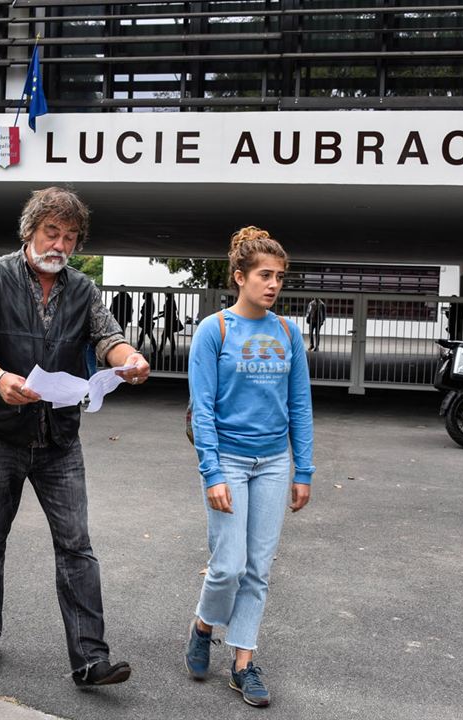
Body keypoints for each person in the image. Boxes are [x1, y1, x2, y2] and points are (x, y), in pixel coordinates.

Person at [0, 186, 150, 687]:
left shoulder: (82, 289)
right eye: (51, 232)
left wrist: (127, 359)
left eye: (70, 236)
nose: (60, 244)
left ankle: (89, 659)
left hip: (60, 438)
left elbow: (107, 336)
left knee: (77, 546)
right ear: (30, 231)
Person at [184, 226, 314, 708]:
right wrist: (213, 473)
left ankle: (242, 663)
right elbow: (203, 408)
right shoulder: (214, 330)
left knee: (257, 569)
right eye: (264, 274)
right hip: (231, 462)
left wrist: (304, 471)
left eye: (279, 276)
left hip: (275, 463)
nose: (274, 284)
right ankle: (203, 624)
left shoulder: (287, 332)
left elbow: (299, 403)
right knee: (228, 567)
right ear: (239, 277)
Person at [159, 292, 182, 358]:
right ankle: (162, 352)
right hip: (169, 322)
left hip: (169, 323)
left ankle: (162, 352)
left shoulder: (170, 301)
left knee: (166, 337)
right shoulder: (171, 301)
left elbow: (169, 312)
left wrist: (160, 316)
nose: (164, 294)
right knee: (167, 337)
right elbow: (168, 311)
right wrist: (162, 313)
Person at [135, 291, 158, 357]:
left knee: (143, 336)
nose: (143, 295)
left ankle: (137, 349)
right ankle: (155, 349)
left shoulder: (148, 303)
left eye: (144, 294)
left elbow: (143, 311)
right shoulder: (150, 302)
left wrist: (142, 310)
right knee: (148, 336)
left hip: (147, 321)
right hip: (148, 321)